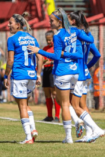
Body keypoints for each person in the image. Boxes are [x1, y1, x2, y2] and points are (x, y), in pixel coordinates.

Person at [28, 8, 102, 143]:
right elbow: (86, 45)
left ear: (59, 21)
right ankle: (94, 129)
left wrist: (39, 51)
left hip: (63, 72)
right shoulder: (76, 31)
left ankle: (69, 137)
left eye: (52, 20)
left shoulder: (58, 36)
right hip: (76, 72)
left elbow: (56, 56)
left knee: (65, 104)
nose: (50, 23)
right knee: (76, 105)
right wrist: (84, 30)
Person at [4, 14, 43, 144]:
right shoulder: (32, 39)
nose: (8, 25)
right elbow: (40, 57)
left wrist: (6, 75)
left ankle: (28, 137)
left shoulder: (12, 39)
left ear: (18, 25)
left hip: (20, 75)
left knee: (21, 107)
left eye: (10, 23)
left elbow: (10, 60)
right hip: (31, 75)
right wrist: (38, 74)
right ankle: (33, 130)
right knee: (25, 104)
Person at [67, 11, 103, 142]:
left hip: (75, 72)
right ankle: (90, 133)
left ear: (73, 21)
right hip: (84, 72)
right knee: (82, 104)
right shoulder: (87, 35)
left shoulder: (73, 34)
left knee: (70, 103)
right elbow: (97, 55)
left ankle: (92, 129)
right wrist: (87, 66)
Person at [41, 30, 61, 122]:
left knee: (54, 93)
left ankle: (57, 116)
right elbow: (42, 59)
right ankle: (49, 116)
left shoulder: (56, 48)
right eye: (47, 40)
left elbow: (59, 59)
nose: (48, 41)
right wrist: (41, 63)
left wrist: (51, 62)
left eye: (50, 39)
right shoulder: (45, 49)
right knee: (47, 93)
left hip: (53, 71)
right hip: (46, 71)